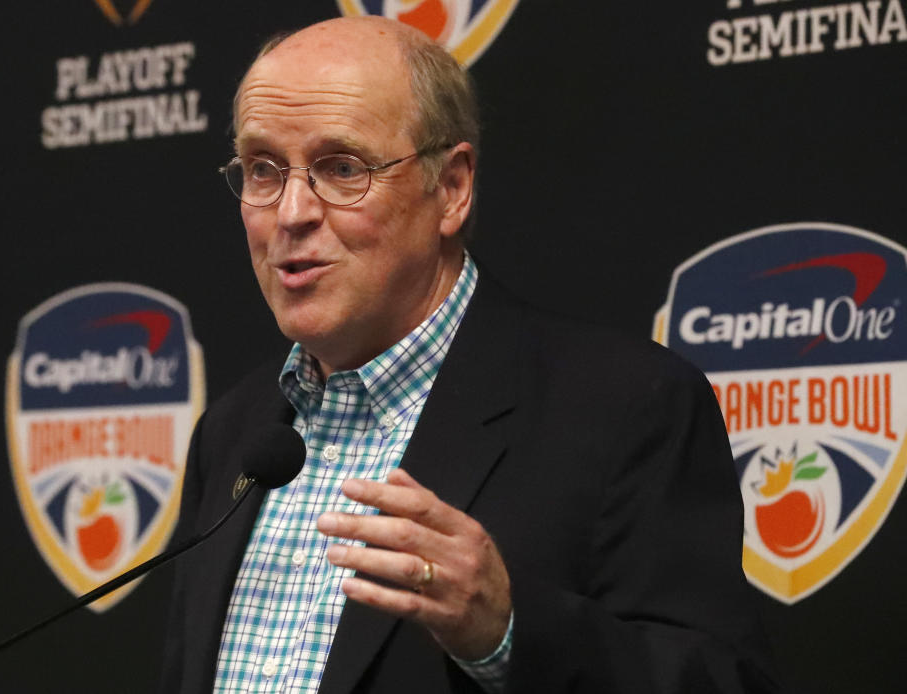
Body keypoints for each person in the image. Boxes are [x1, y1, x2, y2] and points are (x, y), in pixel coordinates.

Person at [160, 16, 778, 694]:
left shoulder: (627, 407)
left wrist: (508, 630)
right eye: (262, 170)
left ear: (451, 187)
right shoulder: (233, 432)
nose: (290, 212)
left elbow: (722, 683)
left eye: (341, 168)